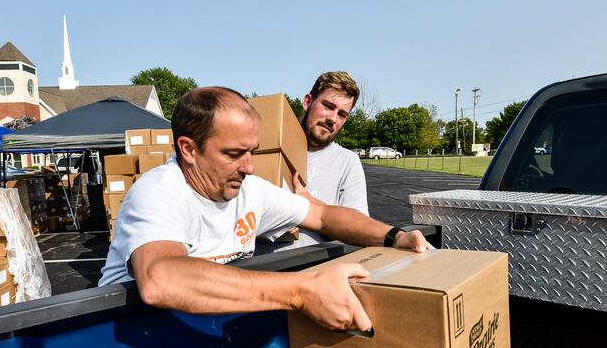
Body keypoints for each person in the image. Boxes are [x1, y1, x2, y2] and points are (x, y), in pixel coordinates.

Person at [98, 87, 432, 331]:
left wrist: (394, 236)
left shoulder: (250, 191)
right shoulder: (158, 192)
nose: (250, 167)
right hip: (121, 343)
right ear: (188, 149)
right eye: (233, 154)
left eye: (253, 152)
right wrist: (302, 291)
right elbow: (161, 279)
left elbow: (324, 215)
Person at [258, 71, 368, 254]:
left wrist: (310, 208)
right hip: (255, 268)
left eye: (342, 114)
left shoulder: (348, 162)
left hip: (313, 270)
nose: (333, 119)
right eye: (328, 106)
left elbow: (359, 229)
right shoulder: (265, 143)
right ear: (308, 102)